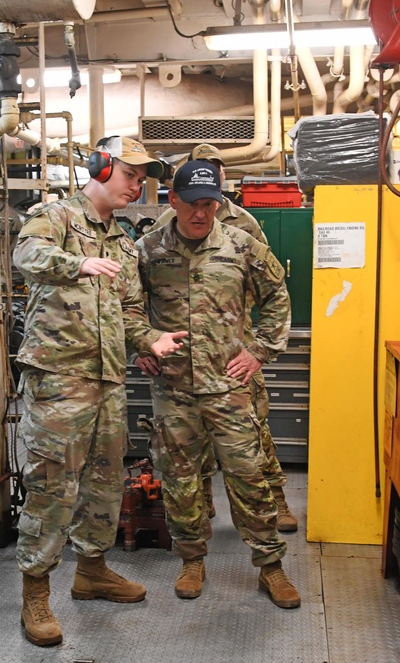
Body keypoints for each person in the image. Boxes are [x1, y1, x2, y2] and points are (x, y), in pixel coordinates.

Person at [13, 135, 187, 646]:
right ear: (100, 166)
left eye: (142, 178)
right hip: (59, 380)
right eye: (131, 174)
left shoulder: (125, 244)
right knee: (50, 488)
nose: (138, 185)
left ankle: (91, 570)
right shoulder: (57, 217)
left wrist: (153, 339)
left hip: (109, 381)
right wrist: (78, 263)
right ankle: (35, 591)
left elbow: (131, 312)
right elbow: (27, 253)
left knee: (105, 483)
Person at [135, 160, 300, 609]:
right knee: (181, 481)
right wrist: (143, 345)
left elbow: (278, 296)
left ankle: (270, 566)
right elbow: (126, 306)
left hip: (229, 387)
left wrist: (260, 351)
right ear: (174, 200)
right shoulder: (148, 250)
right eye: (192, 204)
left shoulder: (242, 246)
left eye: (209, 204)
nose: (201, 214)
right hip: (174, 390)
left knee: (249, 477)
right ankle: (192, 559)